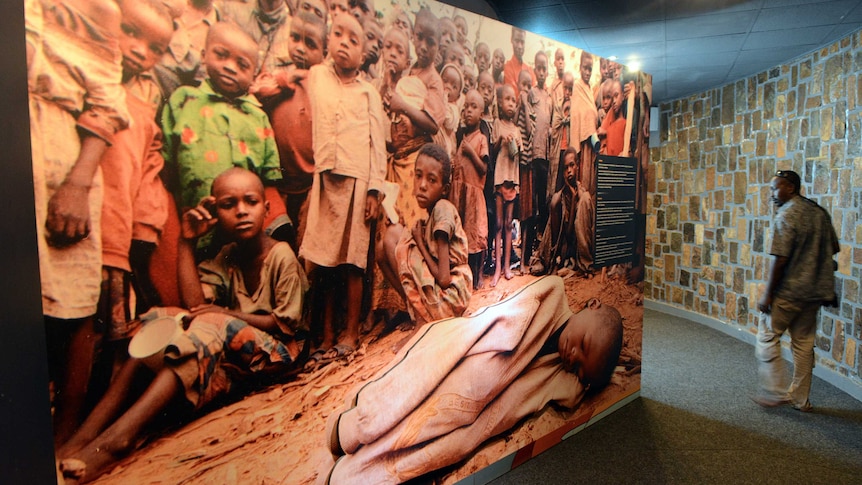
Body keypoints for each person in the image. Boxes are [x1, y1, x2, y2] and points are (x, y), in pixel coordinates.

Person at [56, 168, 308, 483]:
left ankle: (118, 441)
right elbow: (194, 306)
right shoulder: (227, 256)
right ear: (216, 213)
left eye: (251, 201)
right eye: (228, 204)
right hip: (233, 348)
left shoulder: (281, 256)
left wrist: (223, 314)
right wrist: (186, 242)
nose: (241, 211)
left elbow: (284, 325)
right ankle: (84, 438)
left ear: (266, 209)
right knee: (161, 318)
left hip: (279, 354)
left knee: (213, 321)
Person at [322, 275, 623, 484]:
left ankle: (353, 475)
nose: (573, 357)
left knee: (449, 440)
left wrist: (590, 377)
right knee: (418, 393)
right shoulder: (553, 295)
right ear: (591, 305)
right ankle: (353, 426)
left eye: (580, 369)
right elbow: (497, 320)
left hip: (483, 407)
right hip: (475, 354)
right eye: (583, 345)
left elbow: (561, 394)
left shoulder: (558, 373)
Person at [26, 0, 130, 445]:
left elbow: (106, 102)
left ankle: (63, 436)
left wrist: (77, 184)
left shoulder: (96, 8)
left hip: (53, 151)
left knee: (71, 300)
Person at [300, 12, 386, 361]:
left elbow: (377, 144)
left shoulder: (368, 93)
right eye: (338, 35)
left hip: (356, 181)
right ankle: (325, 333)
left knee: (352, 263)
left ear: (364, 54)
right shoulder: (317, 75)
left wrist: (374, 190)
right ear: (327, 40)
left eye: (354, 40)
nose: (344, 44)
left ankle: (350, 333)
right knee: (322, 260)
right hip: (325, 179)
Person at [160, 21, 285, 256]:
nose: (230, 67)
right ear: (204, 55)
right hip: (193, 227)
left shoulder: (258, 117)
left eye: (242, 64)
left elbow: (269, 180)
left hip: (245, 237)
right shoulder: (183, 100)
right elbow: (166, 167)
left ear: (254, 74)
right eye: (221, 55)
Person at [98, 0, 173, 354]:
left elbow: (149, 157)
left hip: (120, 220)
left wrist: (145, 223)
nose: (140, 51)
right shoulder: (93, 75)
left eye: (155, 49)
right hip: (88, 211)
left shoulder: (148, 94)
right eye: (130, 32)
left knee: (110, 321)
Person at [754, 169, 839, 412]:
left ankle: (776, 392)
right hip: (815, 293)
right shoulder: (819, 212)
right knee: (803, 344)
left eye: (775, 187)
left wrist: (768, 294)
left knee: (767, 336)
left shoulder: (786, 215)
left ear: (790, 187)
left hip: (789, 292)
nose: (772, 194)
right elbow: (833, 246)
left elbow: (780, 259)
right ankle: (800, 399)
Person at [253, 11, 328, 253]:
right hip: (278, 182)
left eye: (310, 44)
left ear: (324, 53)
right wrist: (286, 79)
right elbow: (256, 90)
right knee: (276, 241)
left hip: (309, 185)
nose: (300, 48)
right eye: (295, 38)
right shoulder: (279, 74)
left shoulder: (322, 85)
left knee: (304, 243)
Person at [377, 143, 472, 329]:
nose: (422, 185)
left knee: (402, 242)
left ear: (444, 189)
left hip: (452, 296)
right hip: (445, 297)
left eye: (431, 180)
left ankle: (422, 321)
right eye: (418, 176)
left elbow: (444, 279)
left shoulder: (442, 209)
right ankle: (417, 312)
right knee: (382, 249)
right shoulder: (431, 215)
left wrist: (419, 242)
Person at [451, 89, 489, 290]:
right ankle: (463, 274)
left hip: (474, 194)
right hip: (459, 195)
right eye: (466, 107)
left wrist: (470, 152)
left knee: (477, 235)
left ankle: (479, 273)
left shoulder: (480, 139)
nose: (468, 111)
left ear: (481, 114)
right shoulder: (461, 137)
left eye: (473, 107)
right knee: (463, 234)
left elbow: (483, 168)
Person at [502, 26, 535, 94]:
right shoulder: (507, 68)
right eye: (517, 41)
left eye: (522, 42)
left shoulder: (530, 71)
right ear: (511, 40)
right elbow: (513, 94)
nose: (520, 46)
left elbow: (534, 95)